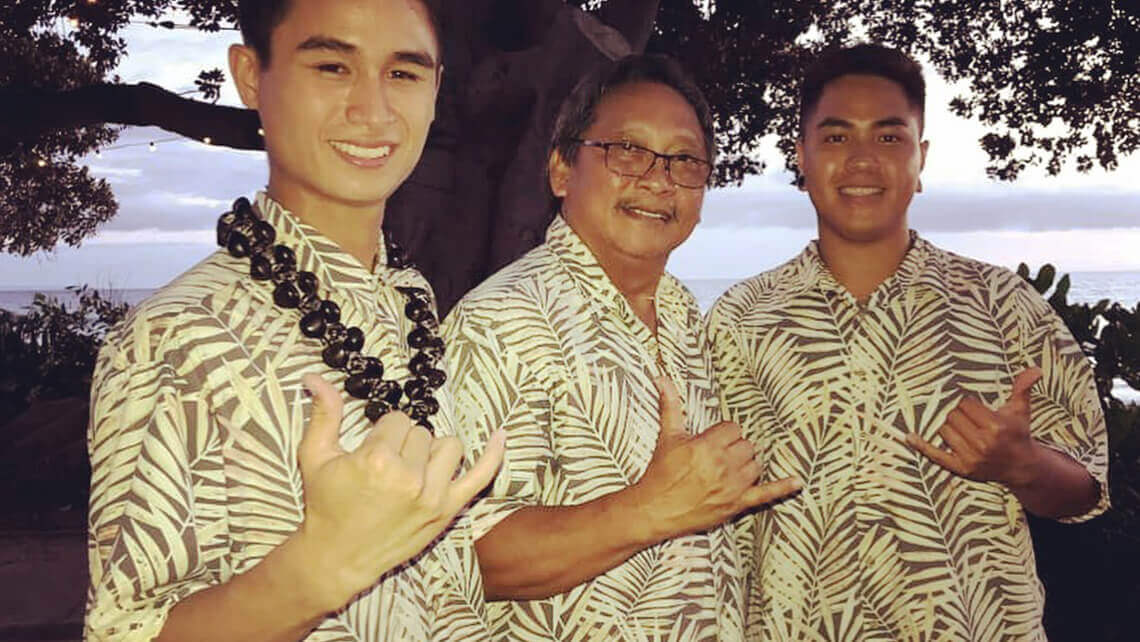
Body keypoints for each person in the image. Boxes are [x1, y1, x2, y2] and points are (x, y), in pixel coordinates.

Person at [84, 0, 505, 639]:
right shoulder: (176, 337)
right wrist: (321, 567)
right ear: (251, 76)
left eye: (404, 73)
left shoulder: (411, 298)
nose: (373, 110)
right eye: (333, 66)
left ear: (436, 89)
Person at [706, 43, 1109, 641]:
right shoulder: (739, 319)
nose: (863, 159)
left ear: (920, 160)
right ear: (802, 158)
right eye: (837, 137)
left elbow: (1087, 487)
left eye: (890, 138)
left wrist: (1021, 465)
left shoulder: (1004, 304)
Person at [441, 54, 802, 640]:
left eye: (684, 159)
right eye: (627, 151)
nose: (658, 179)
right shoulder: (501, 321)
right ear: (561, 170)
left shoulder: (684, 314)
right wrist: (650, 509)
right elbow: (464, 554)